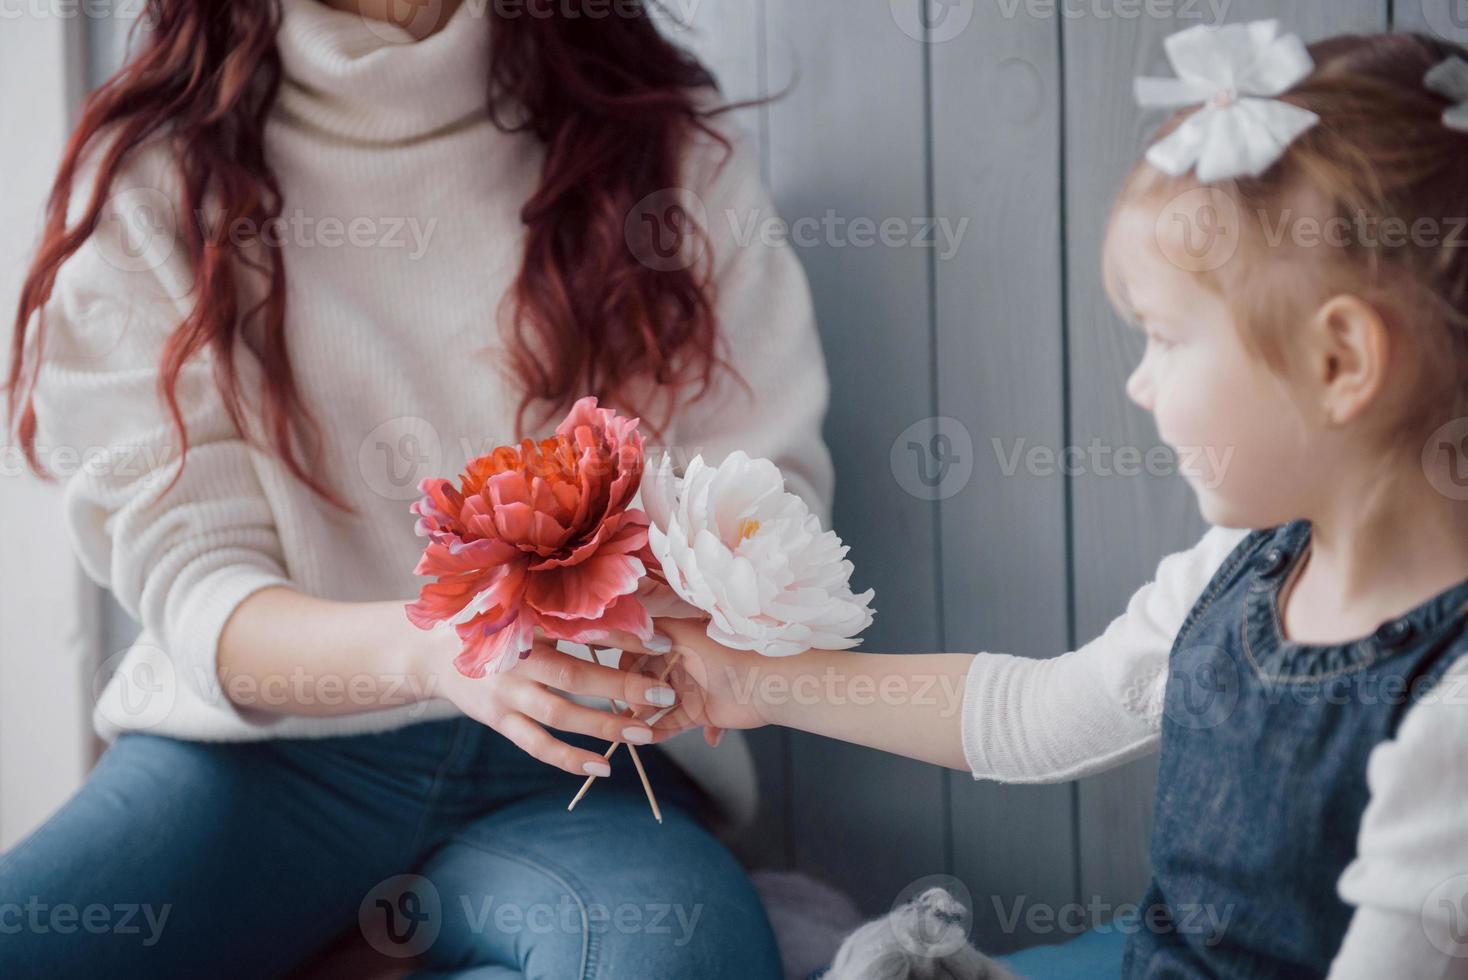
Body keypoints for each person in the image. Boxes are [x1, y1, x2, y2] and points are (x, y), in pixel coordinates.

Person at [0, 0, 834, 976]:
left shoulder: (667, 150)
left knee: (685, 958)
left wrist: (660, 598)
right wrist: (439, 650)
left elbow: (775, 514)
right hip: (257, 758)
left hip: (585, 767)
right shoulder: (153, 175)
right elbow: (194, 583)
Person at [623, 25, 1468, 979]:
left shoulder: (1451, 721)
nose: (1140, 384)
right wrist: (758, 681)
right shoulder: (1245, 568)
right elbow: (1039, 712)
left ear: (1338, 361)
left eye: (1167, 338)